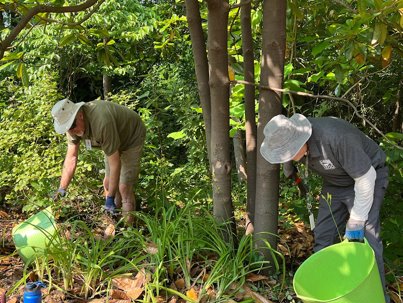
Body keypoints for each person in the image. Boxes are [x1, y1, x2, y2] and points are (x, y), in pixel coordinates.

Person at [260, 113, 389, 302]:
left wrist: (357, 219)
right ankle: (329, 292)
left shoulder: (336, 137)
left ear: (300, 138)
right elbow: (290, 152)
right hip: (335, 184)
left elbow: (366, 177)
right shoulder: (295, 142)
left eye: (289, 151)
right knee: (323, 234)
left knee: (367, 238)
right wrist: (290, 168)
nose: (286, 156)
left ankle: (377, 295)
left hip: (368, 177)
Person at [51, 98, 146, 224]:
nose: (71, 131)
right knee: (108, 184)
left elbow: (115, 164)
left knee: (123, 187)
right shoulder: (71, 127)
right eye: (67, 128)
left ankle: (128, 232)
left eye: (72, 126)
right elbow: (71, 158)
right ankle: (115, 222)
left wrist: (110, 198)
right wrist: (62, 188)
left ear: (79, 115)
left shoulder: (101, 122)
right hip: (112, 140)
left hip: (131, 136)